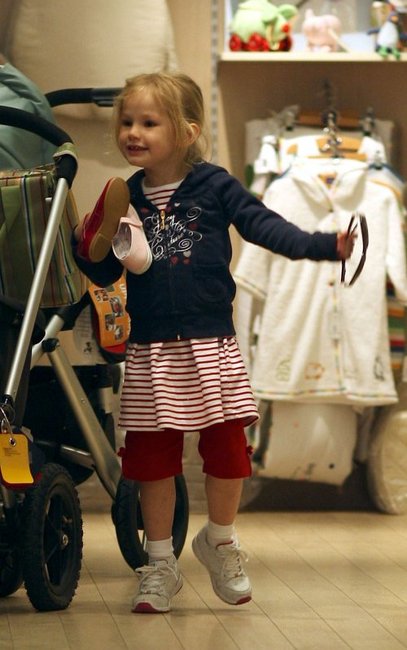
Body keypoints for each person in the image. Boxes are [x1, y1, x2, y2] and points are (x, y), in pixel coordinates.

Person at [72, 71, 355, 614]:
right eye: (126, 122)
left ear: (187, 131)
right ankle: (160, 562)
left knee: (227, 450)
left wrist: (325, 246)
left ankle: (219, 540)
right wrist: (90, 246)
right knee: (152, 460)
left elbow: (266, 227)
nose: (133, 132)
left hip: (210, 345)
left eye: (149, 123)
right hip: (151, 348)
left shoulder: (216, 187)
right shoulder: (125, 197)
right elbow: (106, 271)